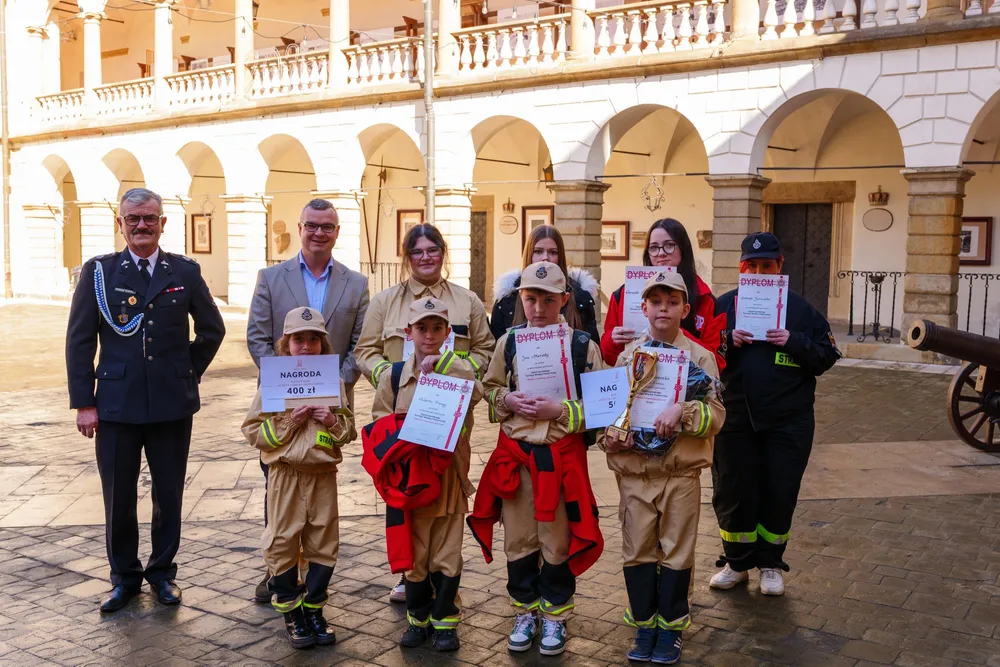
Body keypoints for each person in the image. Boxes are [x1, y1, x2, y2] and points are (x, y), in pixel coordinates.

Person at [66, 188, 226, 613]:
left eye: (149, 218)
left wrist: (185, 372)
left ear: (163, 223)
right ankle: (124, 578)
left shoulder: (185, 272)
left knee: (168, 493)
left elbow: (212, 330)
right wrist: (85, 401)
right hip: (116, 406)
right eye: (133, 218)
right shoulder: (99, 273)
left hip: (172, 406)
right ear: (121, 224)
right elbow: (80, 341)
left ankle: (161, 574)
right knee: (118, 495)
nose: (141, 225)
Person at [468, 261, 604, 657]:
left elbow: (600, 408)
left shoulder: (583, 346)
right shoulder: (506, 343)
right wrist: (507, 399)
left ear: (564, 300)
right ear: (520, 299)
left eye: (548, 299)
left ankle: (556, 615)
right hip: (517, 459)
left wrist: (560, 412)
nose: (539, 307)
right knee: (520, 540)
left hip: (561, 461)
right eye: (531, 298)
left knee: (557, 541)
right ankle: (525, 611)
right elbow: (490, 390)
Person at [355, 223, 494, 603]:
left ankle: (446, 584)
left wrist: (457, 369)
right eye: (418, 251)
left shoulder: (467, 301)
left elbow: (487, 350)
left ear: (443, 253)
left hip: (450, 428)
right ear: (407, 257)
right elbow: (365, 351)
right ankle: (412, 577)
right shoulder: (385, 302)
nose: (426, 257)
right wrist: (392, 375)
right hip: (403, 422)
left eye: (433, 249)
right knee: (409, 497)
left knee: (448, 503)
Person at [246, 198, 370, 602]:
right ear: (300, 228)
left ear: (337, 232)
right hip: (283, 409)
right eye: (312, 225)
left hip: (328, 410)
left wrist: (333, 381)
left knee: (319, 496)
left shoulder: (355, 283)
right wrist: (282, 384)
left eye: (328, 226)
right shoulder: (270, 277)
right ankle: (279, 570)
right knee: (279, 488)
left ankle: (312, 579)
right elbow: (258, 337)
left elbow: (360, 343)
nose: (320, 232)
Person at [601, 270, 725, 664]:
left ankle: (670, 630)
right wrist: (611, 435)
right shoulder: (628, 357)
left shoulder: (700, 358)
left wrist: (683, 410)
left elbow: (717, 415)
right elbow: (610, 411)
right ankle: (644, 626)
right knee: (637, 549)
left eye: (672, 302)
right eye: (656, 302)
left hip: (680, 474)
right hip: (636, 474)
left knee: (676, 552)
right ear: (644, 307)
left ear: (685, 309)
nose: (664, 309)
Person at [710, 232, 841, 596]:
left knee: (779, 491)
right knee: (732, 490)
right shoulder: (723, 308)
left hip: (789, 423)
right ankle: (736, 563)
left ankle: (770, 563)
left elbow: (827, 355)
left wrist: (794, 341)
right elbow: (700, 359)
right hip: (735, 420)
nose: (759, 271)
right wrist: (725, 343)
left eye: (767, 265)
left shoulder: (801, 310)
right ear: (741, 269)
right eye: (752, 266)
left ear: (779, 266)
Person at [362, 298, 482, 652]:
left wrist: (445, 364)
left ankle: (445, 621)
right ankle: (417, 619)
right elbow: (377, 427)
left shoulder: (459, 368)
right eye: (421, 328)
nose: (429, 335)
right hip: (410, 484)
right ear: (408, 332)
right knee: (415, 557)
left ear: (448, 333)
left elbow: (477, 394)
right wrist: (408, 429)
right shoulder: (394, 376)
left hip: (448, 481)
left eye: (437, 328)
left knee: (447, 554)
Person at [242, 307, 355, 649]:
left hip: (322, 475)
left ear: (322, 344)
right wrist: (289, 422)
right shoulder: (273, 381)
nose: (305, 347)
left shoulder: (332, 381)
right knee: (282, 541)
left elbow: (349, 430)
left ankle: (315, 608)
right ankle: (291, 613)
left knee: (324, 542)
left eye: (312, 340)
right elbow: (252, 431)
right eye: (297, 340)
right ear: (286, 344)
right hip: (285, 474)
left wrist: (332, 422)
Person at [601, 218, 724, 370]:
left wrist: (671, 331)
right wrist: (612, 340)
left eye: (669, 245)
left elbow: (717, 362)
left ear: (683, 248)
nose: (661, 253)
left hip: (687, 385)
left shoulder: (706, 300)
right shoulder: (623, 295)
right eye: (654, 247)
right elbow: (610, 358)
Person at [490, 225, 599, 342]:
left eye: (552, 252)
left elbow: (593, 349)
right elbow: (496, 351)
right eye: (538, 251)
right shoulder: (507, 298)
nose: (545, 258)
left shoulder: (580, 297)